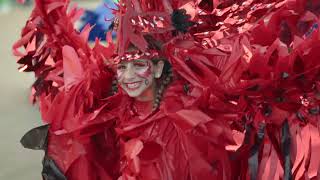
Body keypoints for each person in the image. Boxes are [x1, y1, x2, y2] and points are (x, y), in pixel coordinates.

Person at [14, 0, 320, 179]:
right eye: (123, 67)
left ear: (159, 68)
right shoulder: (110, 103)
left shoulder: (192, 114)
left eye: (139, 66)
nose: (129, 76)